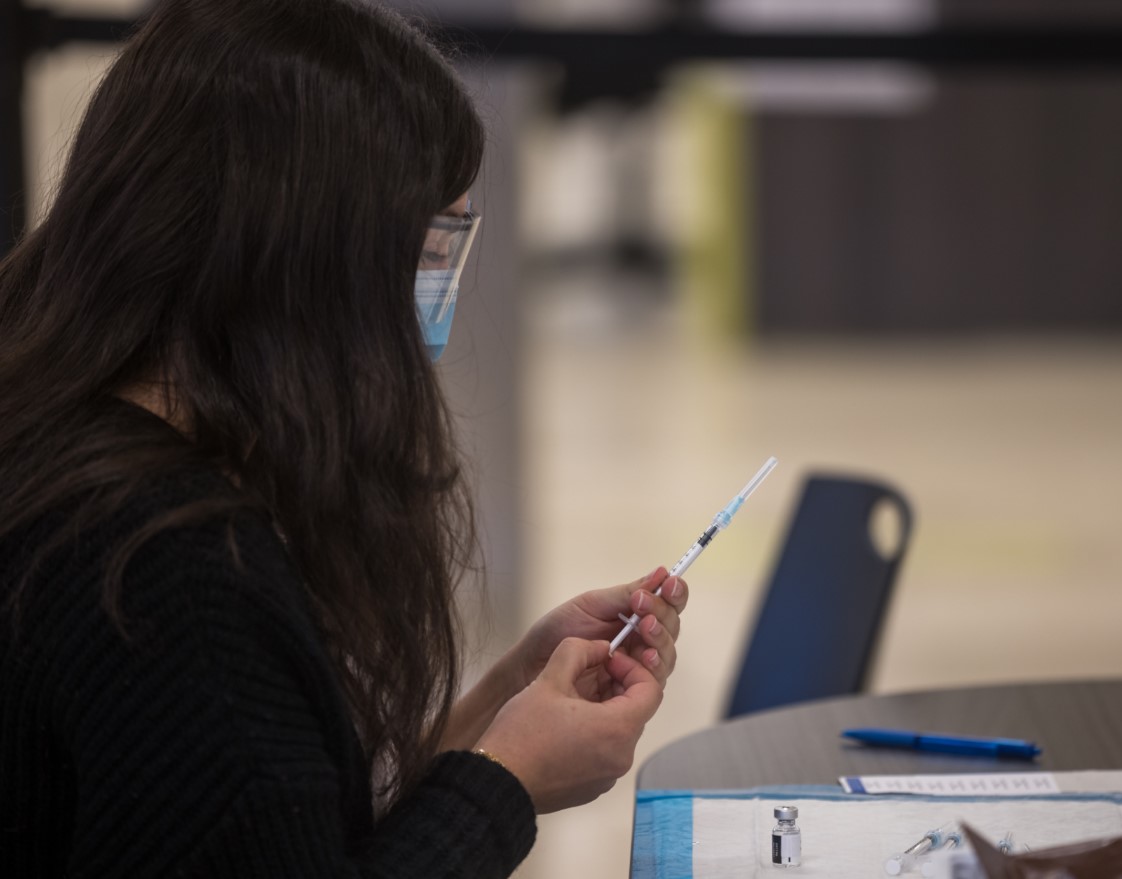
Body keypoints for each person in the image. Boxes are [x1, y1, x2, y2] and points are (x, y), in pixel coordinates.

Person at [0, 0, 687, 876]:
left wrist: (502, 703)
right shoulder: (171, 573)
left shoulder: (58, 437)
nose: (433, 291)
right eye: (429, 246)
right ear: (316, 258)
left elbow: (279, 820)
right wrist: (506, 780)